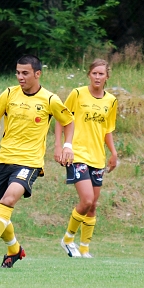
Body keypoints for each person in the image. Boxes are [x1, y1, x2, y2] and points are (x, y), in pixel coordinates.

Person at [0, 54, 75, 268]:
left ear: (38, 74)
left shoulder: (50, 99)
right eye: (18, 72)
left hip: (29, 162)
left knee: (8, 201)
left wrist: (67, 146)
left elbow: (68, 121)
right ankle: (15, 249)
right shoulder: (9, 94)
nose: (20, 77)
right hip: (3, 160)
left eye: (25, 73)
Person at [54, 59, 118, 258]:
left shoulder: (111, 101)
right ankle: (67, 239)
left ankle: (84, 249)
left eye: (101, 74)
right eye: (94, 73)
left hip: (97, 157)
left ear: (107, 77)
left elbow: (107, 130)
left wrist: (113, 152)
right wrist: (60, 145)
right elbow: (61, 118)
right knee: (87, 199)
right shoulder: (77, 94)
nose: (98, 77)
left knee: (92, 206)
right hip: (77, 155)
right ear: (89, 75)